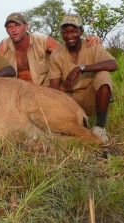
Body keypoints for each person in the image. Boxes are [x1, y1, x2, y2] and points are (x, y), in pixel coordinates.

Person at [49, 14, 118, 142]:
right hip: (69, 98)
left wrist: (80, 68)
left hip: (89, 96)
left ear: (81, 31)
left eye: (73, 31)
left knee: (104, 75)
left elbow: (113, 65)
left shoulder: (92, 45)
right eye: (65, 32)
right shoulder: (56, 55)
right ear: (61, 34)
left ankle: (99, 127)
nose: (69, 36)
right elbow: (54, 87)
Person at [0, 12, 100, 86]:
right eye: (9, 27)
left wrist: (88, 39)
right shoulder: (4, 46)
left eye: (17, 25)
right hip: (16, 92)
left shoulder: (43, 41)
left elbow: (67, 54)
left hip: (42, 91)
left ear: (26, 26)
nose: (13, 30)